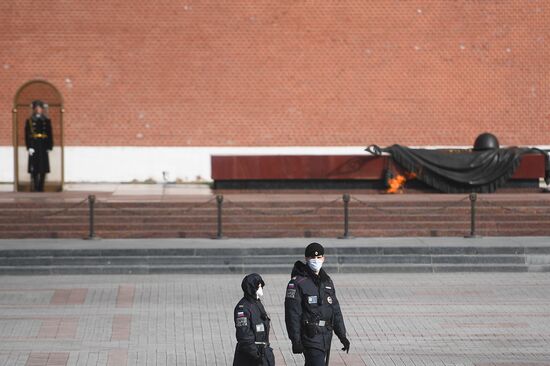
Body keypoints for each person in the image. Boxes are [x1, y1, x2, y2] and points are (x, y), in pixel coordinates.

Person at [284, 242, 350, 365]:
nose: (316, 260)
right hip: (310, 336)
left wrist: (342, 336)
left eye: (319, 257)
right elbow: (292, 314)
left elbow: (335, 310)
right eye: (312, 258)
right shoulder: (297, 283)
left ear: (323, 259)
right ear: (306, 259)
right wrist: (295, 340)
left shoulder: (327, 281)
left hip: (326, 335)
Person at [233, 273, 275, 366]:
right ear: (252, 288)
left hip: (263, 353)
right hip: (251, 358)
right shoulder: (243, 308)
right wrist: (257, 356)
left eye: (261, 286)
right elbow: (244, 336)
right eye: (258, 286)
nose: (261, 288)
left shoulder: (257, 303)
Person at [25, 100, 53, 192]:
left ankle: (41, 186)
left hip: (43, 144)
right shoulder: (30, 120)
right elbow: (27, 134)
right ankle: (36, 186)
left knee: (43, 167)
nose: (39, 110)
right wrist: (29, 146)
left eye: (40, 108)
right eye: (37, 108)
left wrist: (49, 146)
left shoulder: (46, 120)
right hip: (34, 144)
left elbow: (49, 133)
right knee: (34, 167)